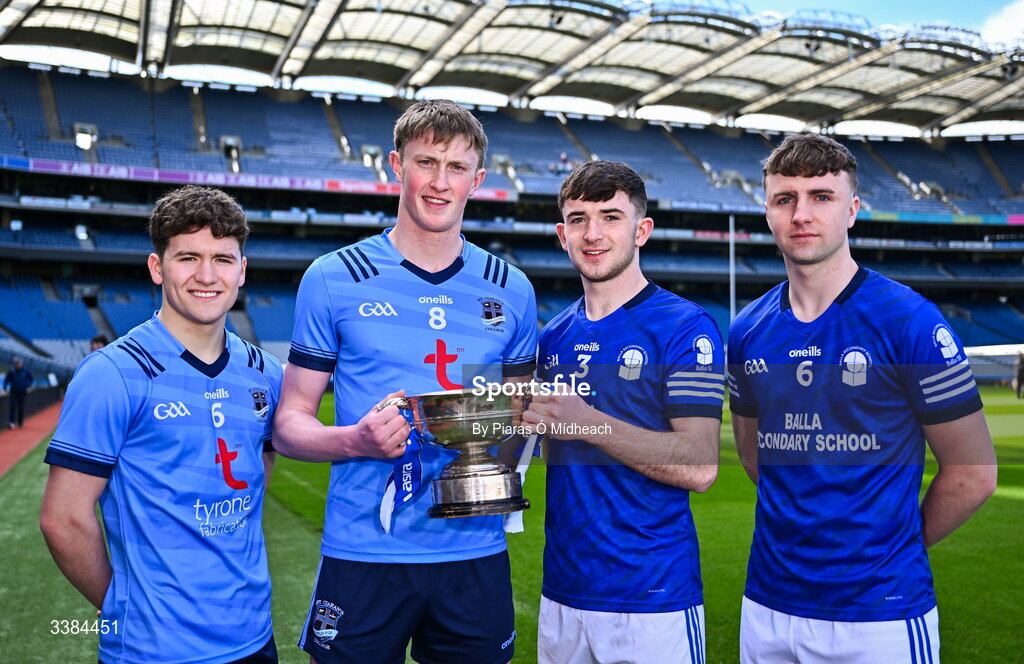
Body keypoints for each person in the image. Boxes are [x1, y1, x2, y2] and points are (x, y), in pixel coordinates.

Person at [274, 99, 538, 664]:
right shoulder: (333, 278)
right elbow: (290, 424)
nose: (440, 183)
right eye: (426, 162)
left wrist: (499, 444)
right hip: (364, 551)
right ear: (397, 165)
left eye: (457, 168)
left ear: (478, 180)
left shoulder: (511, 288)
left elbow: (521, 416)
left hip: (473, 551)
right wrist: (354, 441)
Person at [727, 134, 998, 664]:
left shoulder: (909, 321)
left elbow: (973, 474)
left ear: (852, 211)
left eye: (821, 197)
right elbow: (756, 457)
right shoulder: (747, 329)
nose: (801, 213)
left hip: (880, 615)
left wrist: (894, 548)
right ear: (768, 212)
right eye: (786, 199)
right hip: (768, 607)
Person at [39, 186, 282, 664]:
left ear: (242, 271)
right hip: (155, 652)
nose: (207, 275)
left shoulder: (266, 374)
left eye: (223, 259)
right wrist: (124, 608)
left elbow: (260, 470)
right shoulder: (111, 373)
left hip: (254, 638)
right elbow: (62, 519)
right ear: (157, 267)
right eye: (188, 257)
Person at [522, 160, 723, 664]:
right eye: (578, 219)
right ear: (561, 235)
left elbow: (700, 465)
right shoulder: (554, 336)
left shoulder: (684, 327)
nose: (593, 233)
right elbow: (547, 447)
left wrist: (585, 420)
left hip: (652, 599)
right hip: (563, 593)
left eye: (611, 216)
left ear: (642, 230)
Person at [3, 356, 32, 428]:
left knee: (21, 407)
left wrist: (27, 385)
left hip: (22, 391)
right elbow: (6, 380)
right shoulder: (12, 371)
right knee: (12, 406)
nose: (17, 365)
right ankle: (11, 422)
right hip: (13, 391)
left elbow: (31, 379)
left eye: (18, 363)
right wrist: (5, 388)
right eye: (15, 363)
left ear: (21, 363)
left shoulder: (26, 370)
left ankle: (20, 422)